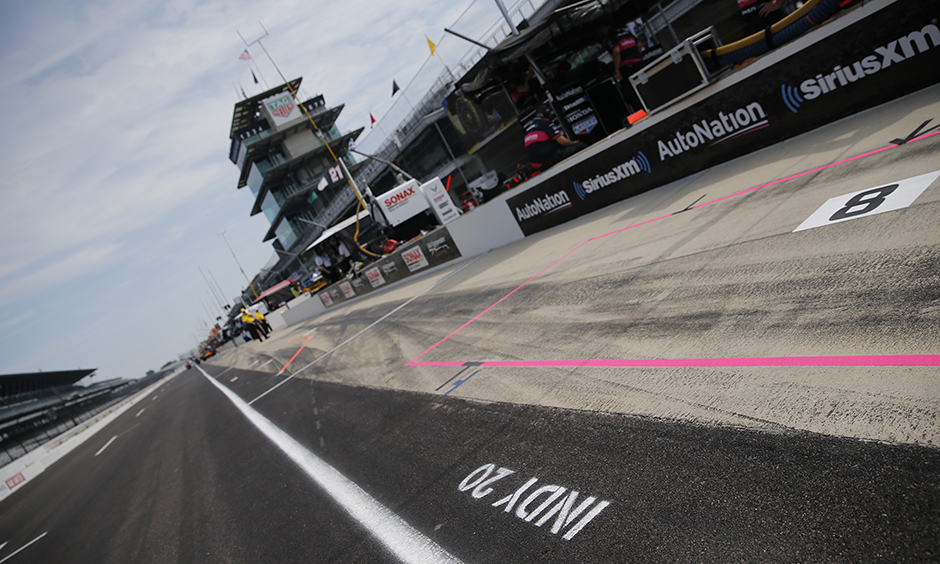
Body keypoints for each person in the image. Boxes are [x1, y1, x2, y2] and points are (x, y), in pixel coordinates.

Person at [523, 104, 587, 171]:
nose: (551, 114)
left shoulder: (528, 130)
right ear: (546, 112)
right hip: (548, 159)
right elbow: (562, 141)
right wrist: (573, 143)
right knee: (579, 146)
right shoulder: (544, 122)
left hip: (538, 165)